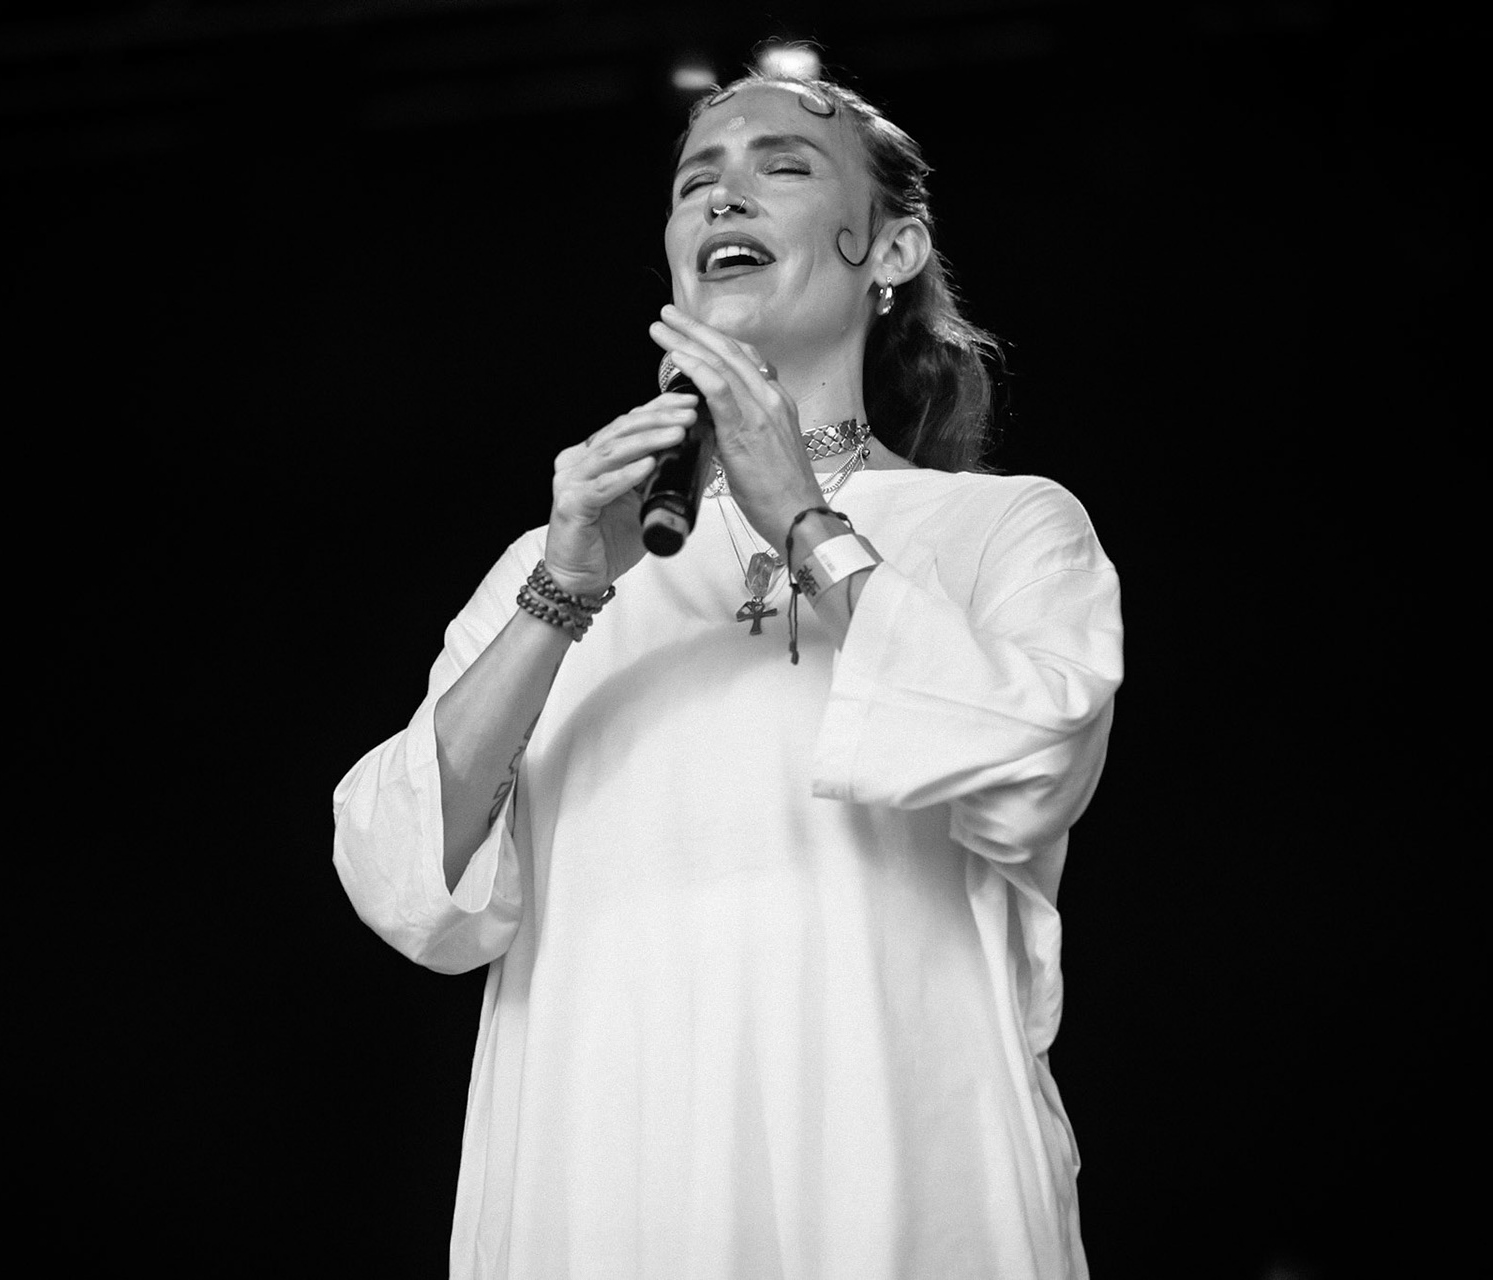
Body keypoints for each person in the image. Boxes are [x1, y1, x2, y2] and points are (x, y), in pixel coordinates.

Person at [332, 66, 1123, 1279]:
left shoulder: (1007, 527)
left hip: (897, 1151)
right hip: (608, 1161)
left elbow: (1032, 765)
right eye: (697, 180)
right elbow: (403, 880)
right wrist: (565, 593)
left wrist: (806, 521)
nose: (723, 198)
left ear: (893, 248)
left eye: (783, 167)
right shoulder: (558, 558)